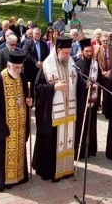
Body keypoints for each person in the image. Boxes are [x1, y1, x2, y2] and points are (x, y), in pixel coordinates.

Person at [0, 50, 32, 192]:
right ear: (9, 66)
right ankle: (4, 179)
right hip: (5, 129)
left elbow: (26, 95)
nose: (19, 71)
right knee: (3, 153)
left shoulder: (21, 77)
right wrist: (3, 129)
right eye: (16, 68)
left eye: (20, 68)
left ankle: (19, 177)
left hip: (19, 126)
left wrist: (29, 100)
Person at [33, 36, 78, 182]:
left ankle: (66, 169)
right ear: (58, 50)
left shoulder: (71, 64)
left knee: (67, 140)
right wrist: (54, 87)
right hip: (52, 114)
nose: (68, 56)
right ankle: (51, 171)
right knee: (52, 143)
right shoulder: (47, 65)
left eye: (69, 52)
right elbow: (37, 88)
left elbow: (77, 84)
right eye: (65, 53)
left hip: (68, 113)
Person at [74, 38, 99, 158]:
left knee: (91, 124)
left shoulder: (95, 64)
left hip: (92, 101)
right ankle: (81, 151)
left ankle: (90, 150)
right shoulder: (77, 65)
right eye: (87, 51)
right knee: (81, 126)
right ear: (82, 51)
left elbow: (99, 80)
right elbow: (76, 84)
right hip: (81, 101)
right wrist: (85, 84)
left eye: (90, 51)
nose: (89, 53)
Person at [23, 27, 50, 95]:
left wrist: (43, 63)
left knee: (40, 88)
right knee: (31, 89)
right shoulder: (28, 42)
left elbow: (47, 54)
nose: (37, 35)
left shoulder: (44, 43)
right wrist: (35, 62)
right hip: (31, 69)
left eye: (38, 34)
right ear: (33, 34)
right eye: (36, 33)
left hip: (41, 70)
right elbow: (25, 53)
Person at [95, 33, 112, 117]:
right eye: (104, 41)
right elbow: (95, 61)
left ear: (109, 41)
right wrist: (101, 71)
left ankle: (105, 110)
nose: (105, 42)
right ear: (101, 41)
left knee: (106, 94)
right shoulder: (98, 49)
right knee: (97, 92)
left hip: (108, 75)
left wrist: (110, 72)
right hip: (99, 74)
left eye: (107, 41)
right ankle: (96, 108)